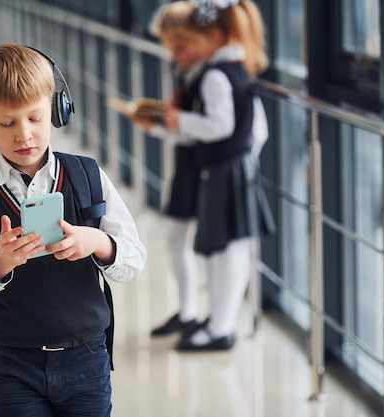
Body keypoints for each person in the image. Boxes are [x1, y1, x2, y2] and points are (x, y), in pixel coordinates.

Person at [0, 43, 147, 416]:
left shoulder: (88, 177)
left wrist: (98, 242)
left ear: (56, 110)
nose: (24, 135)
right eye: (7, 123)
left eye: (35, 118)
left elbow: (134, 260)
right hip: (9, 364)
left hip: (86, 359)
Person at [135, 0, 274, 351]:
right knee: (223, 249)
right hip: (229, 166)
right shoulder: (235, 69)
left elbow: (222, 125)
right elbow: (254, 130)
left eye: (188, 44)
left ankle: (220, 326)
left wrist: (181, 122)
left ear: (211, 36)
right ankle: (217, 322)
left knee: (226, 250)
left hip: (225, 167)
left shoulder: (217, 74)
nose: (183, 53)